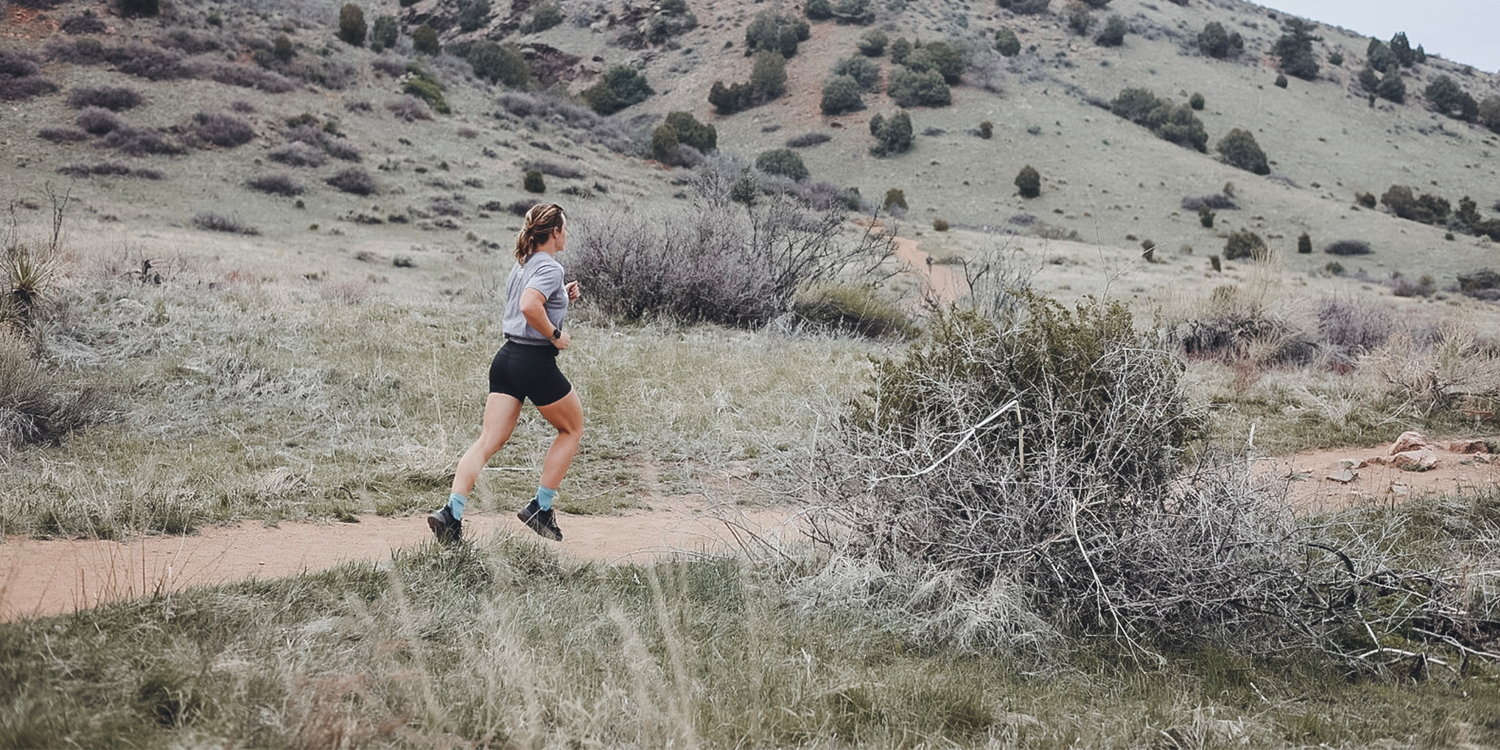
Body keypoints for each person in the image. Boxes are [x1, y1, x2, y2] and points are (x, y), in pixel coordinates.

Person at [427, 203, 583, 543]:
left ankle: (451, 513)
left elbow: (529, 301)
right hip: (533, 361)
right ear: (554, 232)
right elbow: (529, 306)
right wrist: (557, 337)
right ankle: (541, 508)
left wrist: (562, 296)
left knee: (488, 441)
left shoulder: (523, 264)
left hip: (507, 359)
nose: (566, 234)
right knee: (572, 428)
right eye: (565, 229)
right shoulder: (550, 268)